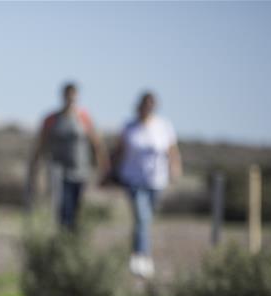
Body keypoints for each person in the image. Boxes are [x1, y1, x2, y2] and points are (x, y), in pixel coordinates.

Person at [115, 91, 182, 278]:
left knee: (145, 219)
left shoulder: (164, 126)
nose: (147, 108)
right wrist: (111, 172)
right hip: (133, 179)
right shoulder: (129, 127)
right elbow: (119, 151)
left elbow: (172, 151)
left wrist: (175, 169)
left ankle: (139, 253)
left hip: (156, 180)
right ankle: (141, 256)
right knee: (142, 217)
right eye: (145, 104)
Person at [27, 82, 109, 230]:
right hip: (58, 170)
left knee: (76, 207)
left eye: (73, 96)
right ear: (62, 96)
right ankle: (63, 237)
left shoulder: (84, 117)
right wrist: (35, 165)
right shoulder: (51, 119)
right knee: (62, 205)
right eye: (67, 95)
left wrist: (102, 167)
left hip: (80, 170)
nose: (70, 99)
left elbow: (96, 144)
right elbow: (41, 144)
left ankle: (72, 239)